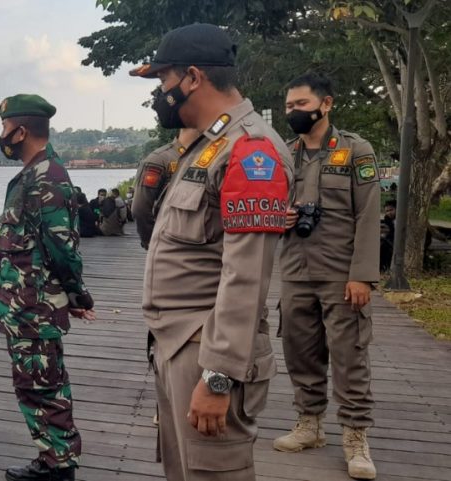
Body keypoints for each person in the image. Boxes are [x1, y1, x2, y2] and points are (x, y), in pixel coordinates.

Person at [131, 24, 292, 481]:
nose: (160, 95)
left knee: (214, 473)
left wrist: (219, 376)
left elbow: (247, 275)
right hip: (177, 344)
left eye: (163, 82)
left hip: (209, 351)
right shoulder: (208, 146)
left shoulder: (250, 151)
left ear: (193, 78)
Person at [274, 72, 380, 480]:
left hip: (341, 273)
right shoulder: (285, 155)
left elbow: (369, 215)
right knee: (300, 353)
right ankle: (310, 424)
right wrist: (278, 218)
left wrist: (363, 276)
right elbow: (267, 205)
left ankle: (356, 436)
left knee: (350, 356)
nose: (293, 112)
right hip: (296, 271)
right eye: (288, 106)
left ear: (326, 104)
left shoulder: (356, 150)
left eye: (300, 105)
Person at [0, 94, 96, 481]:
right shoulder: (32, 175)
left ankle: (59, 467)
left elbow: (62, 247)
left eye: (5, 128)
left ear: (21, 131)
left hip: (35, 310)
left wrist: (77, 295)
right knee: (33, 387)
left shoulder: (47, 177)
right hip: (22, 310)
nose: (1, 136)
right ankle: (50, 458)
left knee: (45, 389)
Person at [133, 128, 200, 249]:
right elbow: (140, 208)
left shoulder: (210, 157)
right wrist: (153, 243)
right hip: (170, 243)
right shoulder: (161, 159)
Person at [380, 200, 396, 272]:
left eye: (391, 210)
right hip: (390, 242)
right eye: (387, 211)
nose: (389, 213)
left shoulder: (403, 219)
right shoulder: (387, 220)